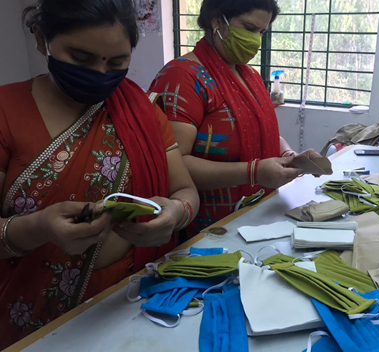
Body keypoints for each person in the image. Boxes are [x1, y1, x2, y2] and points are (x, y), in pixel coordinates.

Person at [0, 0, 199, 347]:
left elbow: (185, 191)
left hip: (127, 304)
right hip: (29, 316)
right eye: (81, 58)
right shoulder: (6, 112)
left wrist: (175, 215)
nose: (99, 72)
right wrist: (38, 228)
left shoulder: (140, 111)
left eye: (117, 62)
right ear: (40, 38)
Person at [150, 0, 321, 236]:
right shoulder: (183, 77)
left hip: (259, 216)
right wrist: (253, 172)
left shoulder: (248, 75)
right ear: (217, 21)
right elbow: (173, 165)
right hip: (208, 230)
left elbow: (261, 134)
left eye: (262, 32)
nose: (256, 40)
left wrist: (289, 155)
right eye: (249, 28)